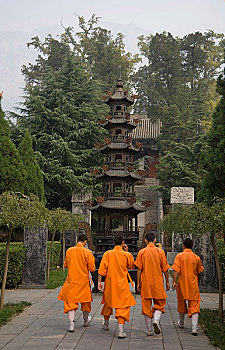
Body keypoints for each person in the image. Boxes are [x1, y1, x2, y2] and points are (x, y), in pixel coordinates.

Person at [98, 235, 136, 339]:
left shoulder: (108, 254)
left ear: (113, 242)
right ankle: (121, 330)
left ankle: (106, 323)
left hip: (110, 283)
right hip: (122, 284)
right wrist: (128, 252)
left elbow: (102, 269)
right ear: (123, 243)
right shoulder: (126, 255)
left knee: (108, 302)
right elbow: (131, 266)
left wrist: (99, 282)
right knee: (122, 306)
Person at [57, 234, 95, 332]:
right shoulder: (87, 252)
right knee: (86, 301)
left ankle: (71, 324)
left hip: (72, 280)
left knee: (71, 302)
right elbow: (92, 268)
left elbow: (66, 264)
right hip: (84, 281)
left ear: (77, 240)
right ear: (85, 242)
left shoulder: (69, 251)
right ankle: (86, 321)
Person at [135, 232, 170, 336]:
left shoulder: (142, 252)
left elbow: (139, 269)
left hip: (145, 282)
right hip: (158, 282)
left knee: (146, 306)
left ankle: (149, 330)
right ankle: (156, 319)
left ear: (145, 240)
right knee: (160, 304)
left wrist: (138, 283)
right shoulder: (160, 252)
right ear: (155, 240)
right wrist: (167, 281)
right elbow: (165, 269)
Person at [172, 237, 204, 336]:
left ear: (183, 245)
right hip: (193, 284)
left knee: (181, 303)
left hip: (181, 284)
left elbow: (176, 270)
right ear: (192, 246)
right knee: (194, 305)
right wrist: (197, 280)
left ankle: (181, 323)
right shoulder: (196, 257)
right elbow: (199, 272)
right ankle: (194, 328)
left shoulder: (179, 256)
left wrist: (174, 281)